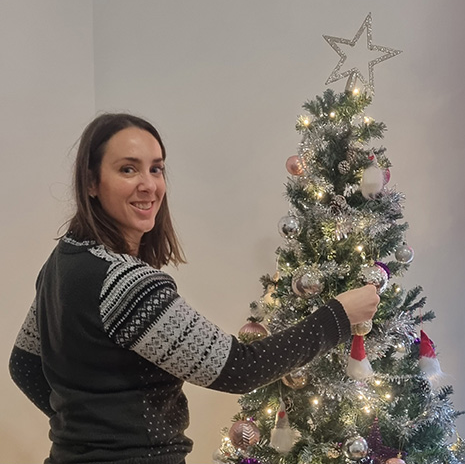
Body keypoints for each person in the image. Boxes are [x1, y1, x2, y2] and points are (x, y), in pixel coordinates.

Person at [9, 113, 379, 464]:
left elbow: (23, 364)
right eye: (127, 169)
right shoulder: (125, 283)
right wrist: (339, 317)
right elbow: (238, 369)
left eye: (156, 168)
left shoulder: (62, 260)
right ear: (91, 182)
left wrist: (88, 429)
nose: (149, 184)